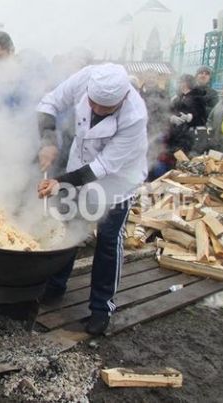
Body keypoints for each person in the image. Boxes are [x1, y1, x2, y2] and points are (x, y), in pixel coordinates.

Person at [36, 63, 148, 335]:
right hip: (80, 164)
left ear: (122, 99)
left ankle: (101, 308)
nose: (96, 111)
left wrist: (59, 181)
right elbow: (48, 103)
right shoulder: (85, 77)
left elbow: (102, 168)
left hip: (116, 179)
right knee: (68, 225)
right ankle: (55, 286)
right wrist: (48, 141)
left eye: (105, 109)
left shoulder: (135, 116)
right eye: (93, 104)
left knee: (108, 239)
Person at [166, 74, 207, 162]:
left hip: (190, 137)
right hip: (177, 135)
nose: (178, 84)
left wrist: (190, 117)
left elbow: (203, 117)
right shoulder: (177, 98)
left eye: (180, 82)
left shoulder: (198, 98)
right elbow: (168, 112)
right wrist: (171, 118)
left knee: (186, 162)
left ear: (186, 83)